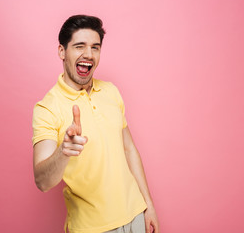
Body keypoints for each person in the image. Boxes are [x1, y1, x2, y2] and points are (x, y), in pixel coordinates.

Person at [32, 15, 159, 233]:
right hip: (93, 228)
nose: (88, 55)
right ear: (62, 51)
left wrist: (148, 205)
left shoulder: (111, 91)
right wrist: (63, 151)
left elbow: (129, 149)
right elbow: (42, 181)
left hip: (136, 215)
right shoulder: (47, 108)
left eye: (95, 47)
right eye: (79, 46)